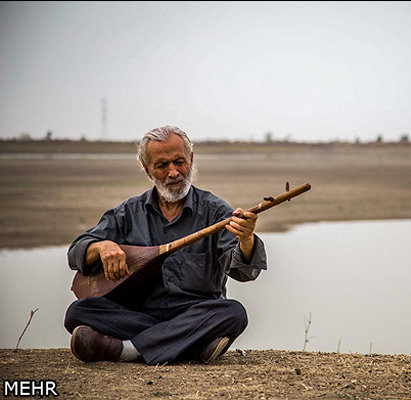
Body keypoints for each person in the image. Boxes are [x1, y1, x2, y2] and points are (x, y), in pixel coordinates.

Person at [63, 126, 267, 365]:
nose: (173, 173)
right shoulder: (129, 212)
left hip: (195, 314)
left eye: (179, 162)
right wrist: (100, 247)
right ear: (148, 170)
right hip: (138, 315)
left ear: (191, 159)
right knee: (78, 312)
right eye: (162, 166)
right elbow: (76, 252)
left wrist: (246, 239)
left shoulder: (216, 211)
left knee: (233, 313)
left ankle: (127, 350)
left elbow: (244, 272)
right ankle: (191, 344)